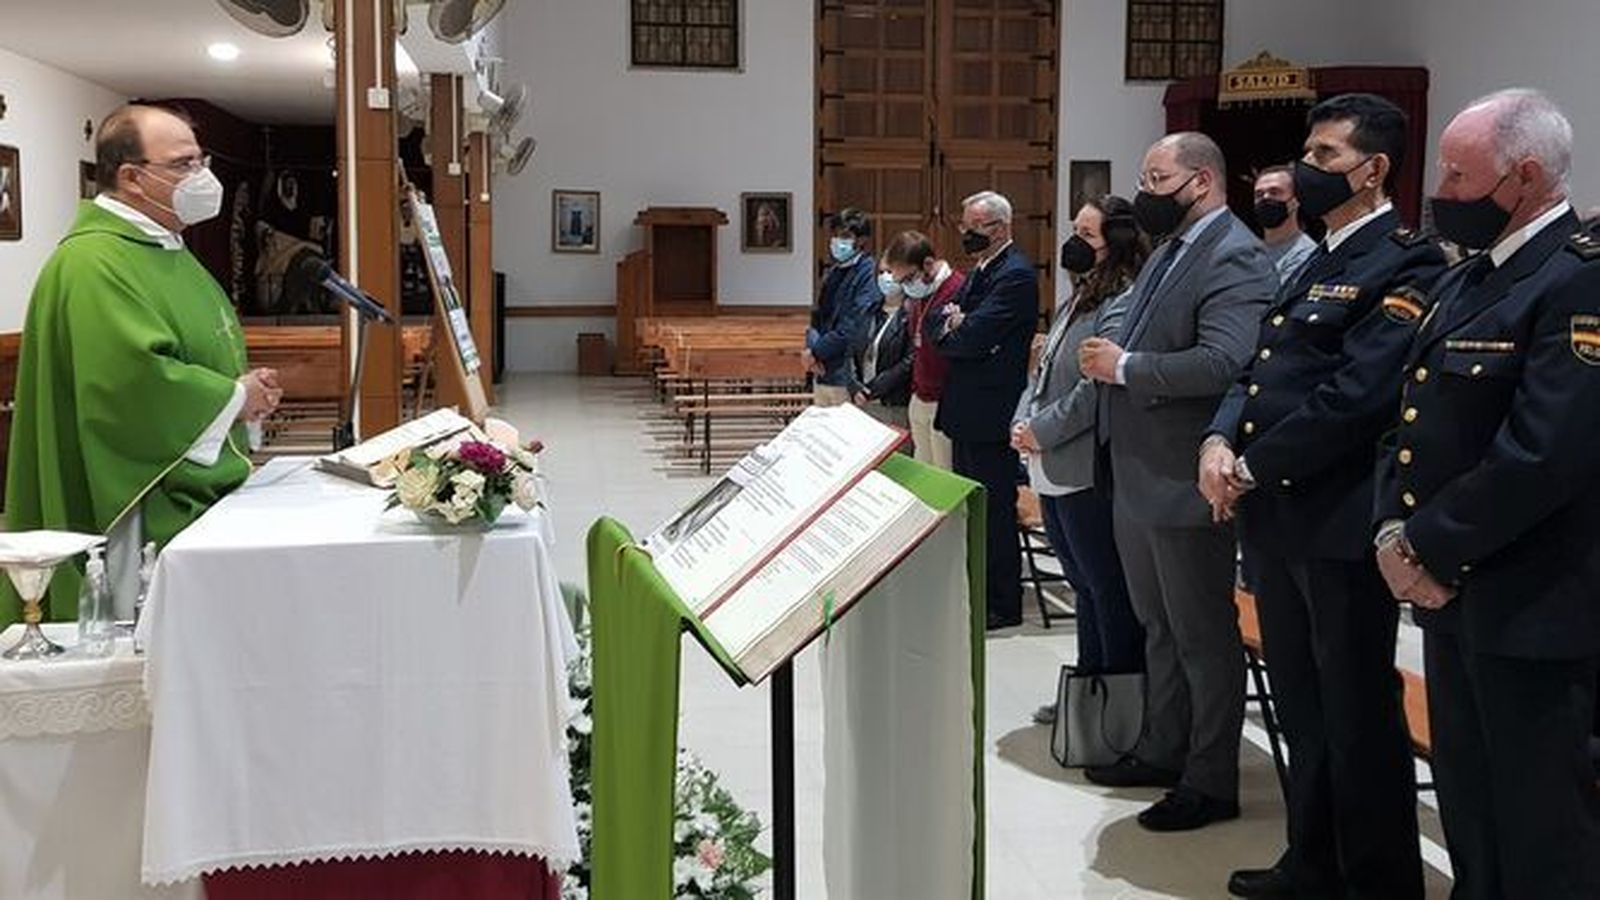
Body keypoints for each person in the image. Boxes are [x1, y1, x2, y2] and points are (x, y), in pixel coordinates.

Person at [1199, 93, 1447, 899]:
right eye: (1308, 152)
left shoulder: (1406, 260)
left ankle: (1374, 880)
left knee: (1356, 711)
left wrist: (1250, 466)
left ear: (1373, 171)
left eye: (1328, 156)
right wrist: (1217, 439)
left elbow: (1358, 393)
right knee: (1303, 705)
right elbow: (1258, 366)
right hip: (1275, 516)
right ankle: (1312, 862)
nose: (1307, 170)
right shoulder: (1313, 254)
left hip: (1336, 520)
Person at [1372, 88, 1600, 899]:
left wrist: (1424, 545)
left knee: (1540, 826)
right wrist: (1390, 538)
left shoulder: (1577, 281)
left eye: (1459, 175)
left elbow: (1544, 454)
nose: (1441, 190)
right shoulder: (1468, 278)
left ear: (1526, 177)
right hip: (1450, 594)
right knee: (1470, 809)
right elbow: (1408, 419)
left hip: (1532, 602)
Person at [4, 104, 282, 626]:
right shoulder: (94, 262)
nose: (202, 177)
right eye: (183, 164)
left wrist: (243, 393)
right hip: (133, 496)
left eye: (201, 160)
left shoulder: (163, 247)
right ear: (132, 177)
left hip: (183, 474)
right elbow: (130, 384)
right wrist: (235, 396)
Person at [1077, 132, 1277, 831]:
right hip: (1137, 469)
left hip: (1185, 472)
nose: (1145, 191)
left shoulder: (1236, 256)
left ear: (1200, 181)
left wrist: (1125, 367)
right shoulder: (1170, 250)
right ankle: (1164, 746)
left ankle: (1211, 777)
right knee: (1158, 625)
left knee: (1201, 635)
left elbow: (1228, 361)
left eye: (1156, 177)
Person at [1014, 195, 1149, 725]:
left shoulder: (1119, 299)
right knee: (1080, 581)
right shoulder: (1077, 296)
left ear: (1113, 243)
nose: (1074, 242)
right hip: (1050, 460)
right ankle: (1087, 682)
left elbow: (1096, 388)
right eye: (1073, 230)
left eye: (1086, 235)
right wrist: (1022, 420)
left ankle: (1113, 698)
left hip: (1083, 464)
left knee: (1103, 584)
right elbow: (1043, 371)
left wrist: (1040, 430)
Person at [930, 191, 1038, 629]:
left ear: (1001, 228)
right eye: (965, 226)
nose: (967, 235)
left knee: (994, 511)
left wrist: (962, 326)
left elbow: (972, 337)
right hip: (967, 408)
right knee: (973, 509)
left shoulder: (1015, 275)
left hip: (991, 411)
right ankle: (975, 589)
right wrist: (956, 325)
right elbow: (940, 324)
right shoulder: (983, 269)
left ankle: (1001, 601)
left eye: (976, 228)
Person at [883, 230, 962, 469]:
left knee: (945, 476)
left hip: (946, 399)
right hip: (920, 395)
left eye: (908, 279)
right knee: (923, 472)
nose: (907, 287)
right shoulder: (919, 294)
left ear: (928, 264)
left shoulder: (957, 289)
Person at [804, 208, 879, 407]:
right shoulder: (833, 271)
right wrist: (811, 348)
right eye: (835, 235)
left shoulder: (868, 273)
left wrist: (816, 353)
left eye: (845, 236)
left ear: (862, 241)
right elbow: (817, 317)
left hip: (845, 374)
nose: (837, 241)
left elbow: (853, 326)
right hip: (821, 370)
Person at [850, 259, 914, 441]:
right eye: (881, 272)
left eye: (890, 271)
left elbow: (909, 361)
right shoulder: (869, 311)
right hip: (862, 401)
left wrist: (872, 390)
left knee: (892, 464)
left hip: (892, 403)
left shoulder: (910, 314)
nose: (885, 277)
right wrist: (855, 386)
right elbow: (851, 351)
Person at [1253, 165, 1319, 285]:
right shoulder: (1248, 249)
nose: (1265, 198)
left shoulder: (1305, 254)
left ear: (1296, 200)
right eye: (1259, 194)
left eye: (1275, 192)